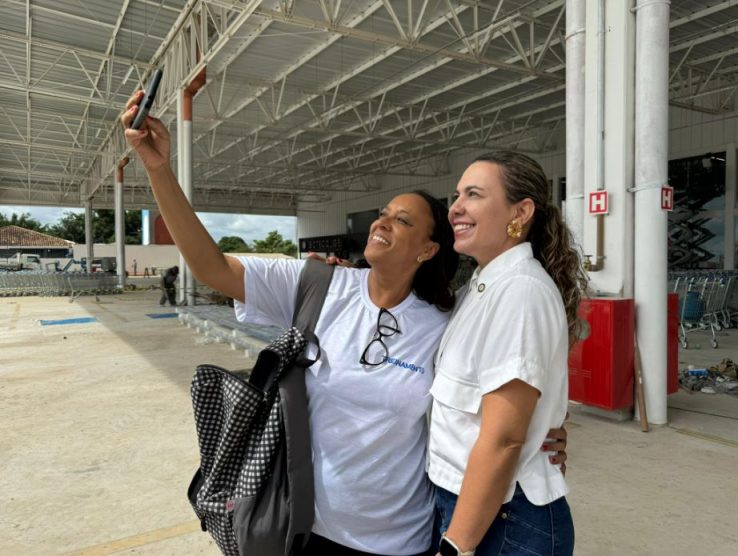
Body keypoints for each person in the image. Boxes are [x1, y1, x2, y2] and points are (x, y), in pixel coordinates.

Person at [121, 91, 567, 555]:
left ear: (429, 249)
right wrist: (158, 170)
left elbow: (508, 389)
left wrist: (543, 428)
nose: (383, 223)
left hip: (403, 538)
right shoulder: (318, 284)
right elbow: (210, 266)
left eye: (403, 220)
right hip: (306, 523)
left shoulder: (446, 319)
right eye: (382, 214)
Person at [430, 152, 587, 556]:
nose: (456, 208)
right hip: (476, 506)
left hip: (503, 521)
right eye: (457, 194)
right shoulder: (483, 285)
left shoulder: (521, 291)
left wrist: (456, 546)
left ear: (521, 211)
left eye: (474, 194)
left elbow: (503, 440)